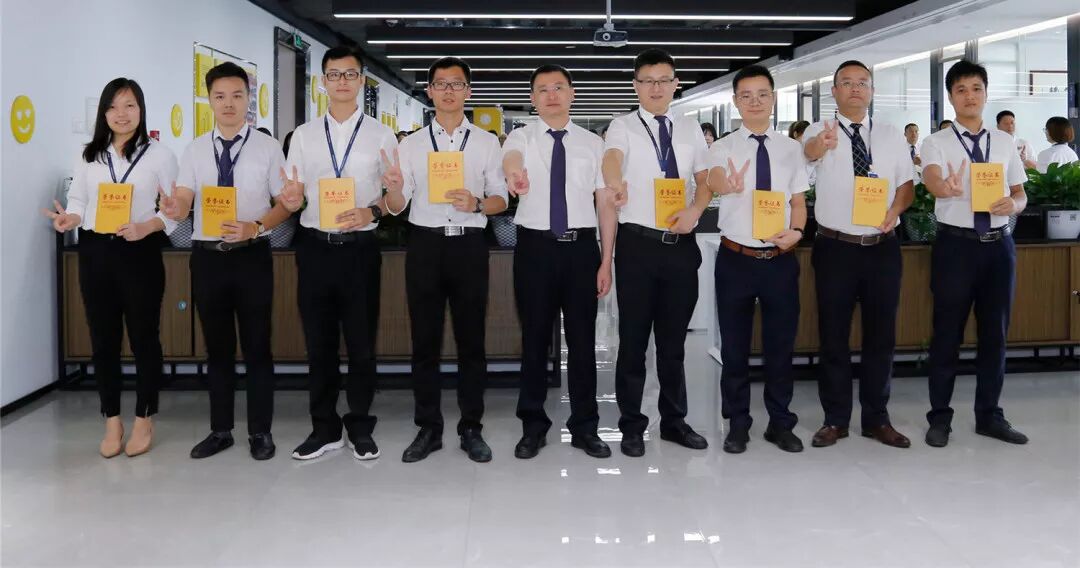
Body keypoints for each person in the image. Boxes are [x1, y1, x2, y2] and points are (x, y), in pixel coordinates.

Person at [162, 62, 296, 461]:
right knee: (217, 349)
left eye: (237, 95)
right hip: (208, 259)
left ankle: (260, 432)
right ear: (209, 100)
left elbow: (284, 205)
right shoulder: (194, 149)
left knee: (257, 347)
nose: (228, 104)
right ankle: (220, 430)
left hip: (251, 256)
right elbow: (184, 197)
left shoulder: (268, 148)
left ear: (248, 99)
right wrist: (175, 206)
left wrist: (256, 226)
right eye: (220, 96)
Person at [43, 78, 177, 458]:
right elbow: (79, 200)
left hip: (140, 251)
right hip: (96, 251)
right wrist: (70, 219)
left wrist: (147, 226)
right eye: (113, 106)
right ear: (104, 113)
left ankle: (144, 416)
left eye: (129, 105)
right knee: (103, 339)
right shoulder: (90, 155)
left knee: (144, 337)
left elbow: (174, 212)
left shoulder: (160, 155)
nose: (122, 114)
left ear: (141, 109)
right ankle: (112, 420)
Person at [277, 46, 399, 462]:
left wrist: (373, 210)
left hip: (360, 250)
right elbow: (293, 195)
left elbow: (395, 201)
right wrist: (291, 199)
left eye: (350, 74)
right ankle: (324, 428)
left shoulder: (382, 135)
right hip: (315, 248)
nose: (342, 82)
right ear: (322, 82)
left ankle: (360, 425)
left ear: (361, 81)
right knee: (319, 344)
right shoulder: (303, 135)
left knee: (362, 344)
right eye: (334, 74)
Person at [387, 57, 508, 463]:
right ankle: (429, 427)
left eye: (457, 84)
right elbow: (397, 206)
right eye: (441, 84)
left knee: (472, 341)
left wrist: (478, 203)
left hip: (469, 245)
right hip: (426, 245)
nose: (449, 91)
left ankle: (471, 427)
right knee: (425, 341)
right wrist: (393, 189)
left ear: (468, 91)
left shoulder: (487, 143)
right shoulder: (411, 145)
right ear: (430, 92)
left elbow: (501, 198)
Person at [501, 64, 614, 460]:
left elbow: (605, 204)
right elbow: (511, 159)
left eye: (559, 87)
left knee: (582, 343)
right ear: (533, 98)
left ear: (572, 93)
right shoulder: (521, 136)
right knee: (534, 340)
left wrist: (606, 260)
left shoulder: (593, 144)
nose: (551, 95)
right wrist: (514, 176)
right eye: (543, 89)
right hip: (536, 249)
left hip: (582, 251)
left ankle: (585, 427)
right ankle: (532, 427)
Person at [601, 48, 710, 457]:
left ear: (675, 84)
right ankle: (632, 425)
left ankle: (674, 422)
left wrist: (695, 211)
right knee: (633, 342)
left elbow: (704, 180)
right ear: (636, 86)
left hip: (680, 246)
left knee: (673, 344)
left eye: (664, 80)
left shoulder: (690, 128)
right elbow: (612, 159)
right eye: (647, 81)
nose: (656, 88)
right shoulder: (623, 126)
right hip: (638, 246)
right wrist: (616, 184)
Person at [802, 60, 915, 449]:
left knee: (881, 336)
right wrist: (820, 146)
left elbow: (906, 185)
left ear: (871, 91)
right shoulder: (818, 131)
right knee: (833, 335)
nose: (854, 88)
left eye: (862, 83)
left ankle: (876, 419)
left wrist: (894, 211)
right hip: (835, 248)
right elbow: (806, 159)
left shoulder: (890, 135)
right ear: (834, 91)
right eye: (846, 83)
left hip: (881, 248)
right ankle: (835, 419)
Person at [920, 59, 1029, 448]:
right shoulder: (936, 142)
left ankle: (989, 416)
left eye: (976, 88)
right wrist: (944, 188)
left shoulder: (1004, 142)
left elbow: (1020, 193)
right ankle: (939, 418)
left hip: (998, 247)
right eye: (961, 90)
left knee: (995, 334)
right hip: (956, 247)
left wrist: (1014, 205)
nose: (970, 96)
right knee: (946, 333)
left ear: (985, 93)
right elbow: (932, 178)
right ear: (951, 97)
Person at [705, 65, 808, 454]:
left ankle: (780, 423)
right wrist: (726, 184)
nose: (755, 102)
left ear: (773, 98)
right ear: (735, 102)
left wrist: (797, 231)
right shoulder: (723, 147)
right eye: (746, 96)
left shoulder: (791, 149)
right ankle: (737, 423)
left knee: (780, 347)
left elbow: (798, 202)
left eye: (762, 94)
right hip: (737, 259)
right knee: (734, 348)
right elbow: (714, 178)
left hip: (780, 259)